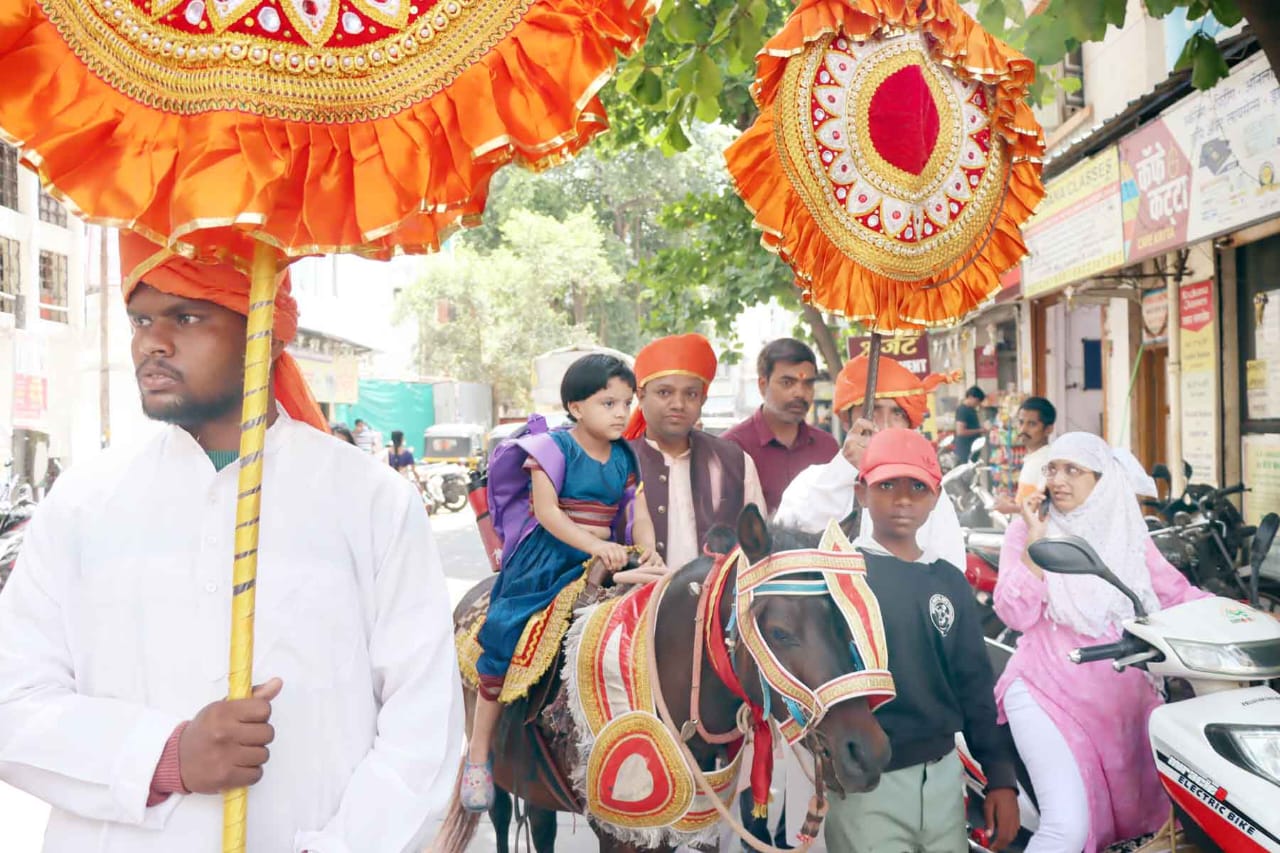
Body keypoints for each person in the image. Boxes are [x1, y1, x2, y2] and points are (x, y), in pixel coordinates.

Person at [0, 234, 463, 853]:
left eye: (186, 316)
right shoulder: (83, 502)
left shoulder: (370, 500)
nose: (151, 343)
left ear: (264, 330)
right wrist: (166, 756)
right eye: (141, 320)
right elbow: (14, 703)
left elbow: (424, 727)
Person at [465, 353, 664, 812]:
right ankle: (478, 756)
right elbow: (548, 513)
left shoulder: (624, 456)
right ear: (575, 407)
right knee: (503, 636)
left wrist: (648, 546)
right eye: (608, 402)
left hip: (612, 555)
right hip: (550, 557)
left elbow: (637, 511)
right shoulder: (552, 450)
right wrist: (595, 547)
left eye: (626, 403)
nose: (621, 413)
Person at [993, 432, 1210, 853]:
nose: (1058, 479)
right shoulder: (1026, 532)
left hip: (1124, 697)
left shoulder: (1128, 536)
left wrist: (1244, 617)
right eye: (1053, 468)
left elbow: (1178, 594)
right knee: (1068, 829)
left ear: (1102, 480)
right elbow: (1014, 613)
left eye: (1073, 469)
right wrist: (1036, 540)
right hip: (1047, 691)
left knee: (1158, 826)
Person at [823, 428, 1018, 853]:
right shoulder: (839, 580)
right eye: (886, 485)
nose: (903, 499)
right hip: (868, 787)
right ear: (862, 491)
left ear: (935, 495)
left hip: (945, 780)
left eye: (917, 487)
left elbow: (975, 686)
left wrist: (1000, 777)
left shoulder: (947, 580)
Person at [774, 355, 965, 573]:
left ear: (909, 425)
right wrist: (845, 468)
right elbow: (788, 546)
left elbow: (951, 573)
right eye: (872, 411)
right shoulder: (810, 482)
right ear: (847, 421)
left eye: (897, 413)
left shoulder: (926, 493)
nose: (884, 425)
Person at [623, 333, 766, 570]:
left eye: (690, 394)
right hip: (635, 600)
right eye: (664, 393)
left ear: (703, 399)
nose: (678, 404)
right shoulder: (616, 461)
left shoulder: (735, 462)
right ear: (641, 395)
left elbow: (757, 545)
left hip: (718, 603)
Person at [721, 338, 838, 514]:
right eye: (787, 383)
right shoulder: (732, 449)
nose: (800, 393)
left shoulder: (827, 448)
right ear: (762, 385)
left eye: (808, 384)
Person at [994, 397, 1056, 516]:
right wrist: (1012, 502)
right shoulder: (1033, 457)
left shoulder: (1047, 461)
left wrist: (1012, 508)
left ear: (1048, 429)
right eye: (1021, 422)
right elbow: (1029, 501)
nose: (1023, 429)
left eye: (1032, 424)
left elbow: (1045, 508)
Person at [952, 385, 987, 464]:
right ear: (971, 397)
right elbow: (961, 431)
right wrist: (979, 430)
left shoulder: (971, 409)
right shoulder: (962, 410)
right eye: (977, 401)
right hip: (965, 451)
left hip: (972, 450)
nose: (978, 404)